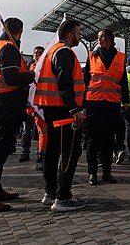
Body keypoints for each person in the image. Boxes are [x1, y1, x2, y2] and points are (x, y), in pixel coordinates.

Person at [0, 18, 35, 212]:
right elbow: (11, 77)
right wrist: (29, 75)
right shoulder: (9, 49)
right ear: (20, 31)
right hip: (5, 107)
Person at [34, 19, 87, 212]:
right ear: (70, 34)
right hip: (64, 111)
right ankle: (63, 197)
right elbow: (65, 82)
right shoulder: (64, 52)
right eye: (79, 33)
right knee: (70, 153)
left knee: (53, 151)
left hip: (51, 108)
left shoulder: (52, 52)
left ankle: (50, 192)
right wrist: (74, 109)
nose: (80, 37)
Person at [83, 28, 129, 185]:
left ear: (110, 38)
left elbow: (122, 81)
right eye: (98, 37)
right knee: (92, 140)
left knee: (108, 140)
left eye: (102, 37)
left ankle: (107, 173)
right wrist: (82, 105)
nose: (99, 40)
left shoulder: (121, 57)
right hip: (93, 103)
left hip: (112, 104)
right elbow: (85, 80)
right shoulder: (92, 56)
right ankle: (92, 173)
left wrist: (126, 100)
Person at [28, 46, 47, 171]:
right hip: (35, 106)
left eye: (40, 53)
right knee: (40, 132)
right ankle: (41, 155)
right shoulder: (31, 68)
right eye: (36, 53)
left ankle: (43, 155)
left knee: (44, 132)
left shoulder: (44, 67)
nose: (38, 55)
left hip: (44, 103)